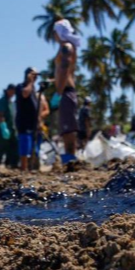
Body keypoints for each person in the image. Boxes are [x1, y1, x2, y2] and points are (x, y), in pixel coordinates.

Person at [53, 19, 81, 164]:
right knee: (66, 131)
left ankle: (71, 162)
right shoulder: (66, 47)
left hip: (65, 92)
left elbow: (64, 69)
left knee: (68, 131)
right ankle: (69, 160)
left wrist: (58, 92)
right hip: (65, 91)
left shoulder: (67, 47)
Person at [16, 68, 42, 172]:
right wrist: (30, 81)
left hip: (33, 123)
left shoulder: (33, 88)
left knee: (33, 148)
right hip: (24, 123)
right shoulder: (21, 87)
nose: (35, 77)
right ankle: (24, 168)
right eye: (33, 75)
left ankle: (31, 168)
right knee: (25, 147)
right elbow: (24, 94)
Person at [0, 84, 19, 168]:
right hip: (2, 129)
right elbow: (0, 115)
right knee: (0, 148)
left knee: (13, 149)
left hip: (12, 129)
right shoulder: (1, 101)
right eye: (13, 90)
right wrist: (4, 127)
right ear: (8, 90)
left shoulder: (11, 102)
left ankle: (12, 166)